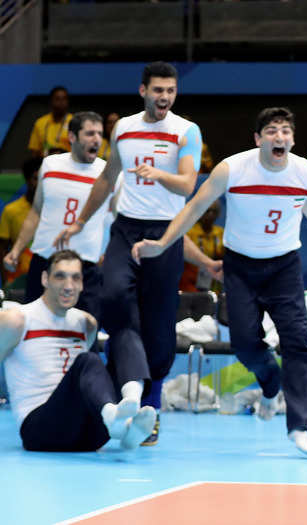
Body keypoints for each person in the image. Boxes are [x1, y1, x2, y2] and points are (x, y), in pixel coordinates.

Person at [131, 107, 307, 456]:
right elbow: (194, 207)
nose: (279, 137)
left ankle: (299, 425)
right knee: (244, 343)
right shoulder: (232, 169)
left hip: (285, 266)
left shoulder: (306, 172)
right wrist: (164, 243)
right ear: (258, 139)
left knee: (298, 342)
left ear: (293, 139)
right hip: (240, 266)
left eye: (285, 131)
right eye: (271, 131)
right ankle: (270, 383)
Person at [54, 61, 202, 447]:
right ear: (143, 91)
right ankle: (123, 380)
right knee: (114, 296)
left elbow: (186, 184)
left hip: (165, 235)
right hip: (126, 227)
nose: (165, 97)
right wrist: (80, 221)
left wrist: (160, 176)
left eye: (170, 90)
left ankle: (148, 406)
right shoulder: (123, 128)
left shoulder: (186, 131)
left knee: (158, 326)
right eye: (158, 90)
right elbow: (107, 179)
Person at [0, 250, 156, 452]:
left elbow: (92, 382)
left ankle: (128, 410)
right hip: (40, 432)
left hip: (86, 434)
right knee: (87, 361)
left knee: (126, 335)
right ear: (45, 279)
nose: (68, 286)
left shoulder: (85, 323)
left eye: (75, 278)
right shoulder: (17, 319)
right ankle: (115, 418)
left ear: (83, 284)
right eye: (60, 276)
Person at [4, 112, 109, 321]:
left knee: (84, 334)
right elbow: (36, 211)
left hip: (85, 267)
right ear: (72, 137)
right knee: (34, 328)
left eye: (99, 133)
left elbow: (114, 218)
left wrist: (106, 255)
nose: (96, 139)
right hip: (45, 261)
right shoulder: (50, 165)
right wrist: (16, 250)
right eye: (89, 133)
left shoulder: (107, 173)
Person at [0, 158, 41, 287]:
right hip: (18, 279)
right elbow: (1, 248)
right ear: (27, 180)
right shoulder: (11, 210)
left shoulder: (55, 210)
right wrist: (6, 280)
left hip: (47, 277)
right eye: (36, 178)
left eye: (43, 179)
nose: (40, 183)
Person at [179, 200, 224, 292]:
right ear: (200, 212)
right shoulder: (188, 232)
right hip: (190, 282)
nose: (210, 214)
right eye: (207, 210)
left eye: (214, 211)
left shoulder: (221, 233)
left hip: (214, 282)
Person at [28, 86, 73, 158]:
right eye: (57, 99)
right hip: (45, 163)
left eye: (64, 99)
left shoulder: (75, 122)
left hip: (69, 165)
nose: (61, 102)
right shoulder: (40, 123)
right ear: (51, 101)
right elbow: (35, 151)